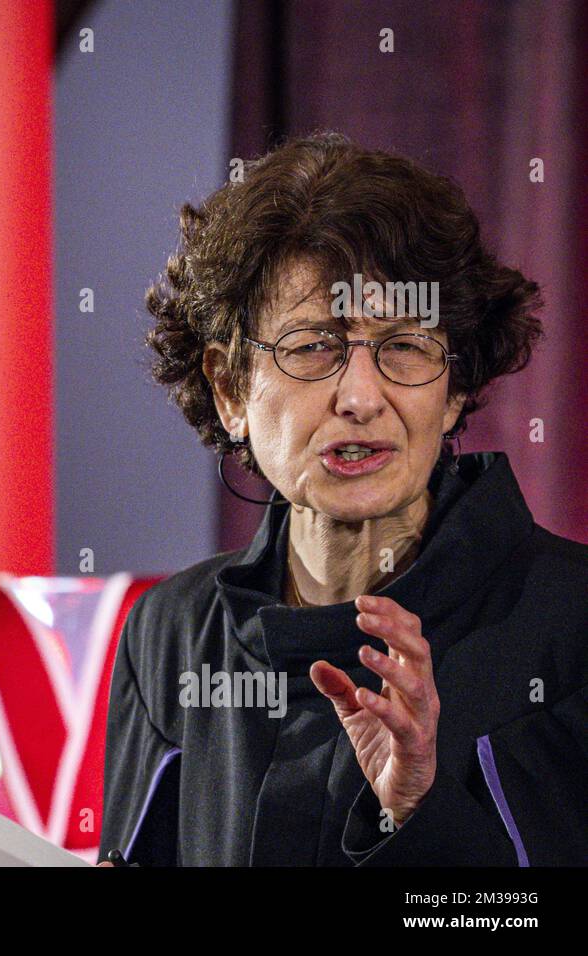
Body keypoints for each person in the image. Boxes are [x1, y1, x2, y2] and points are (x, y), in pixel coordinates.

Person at [98, 132, 588, 866]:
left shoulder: (572, 626)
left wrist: (417, 808)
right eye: (312, 346)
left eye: (404, 347)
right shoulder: (171, 635)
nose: (360, 397)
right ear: (230, 389)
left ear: (454, 390)